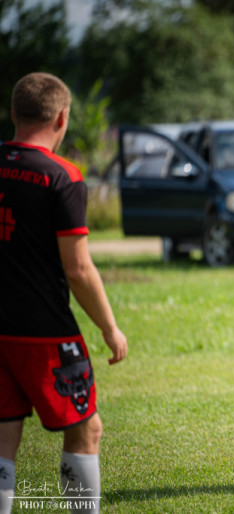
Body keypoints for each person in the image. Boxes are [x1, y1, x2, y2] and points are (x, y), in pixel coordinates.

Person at [0, 72, 128, 514]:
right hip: (44, 330)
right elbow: (77, 269)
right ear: (62, 117)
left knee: (3, 435)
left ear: (14, 114)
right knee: (85, 430)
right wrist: (110, 328)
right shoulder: (62, 176)